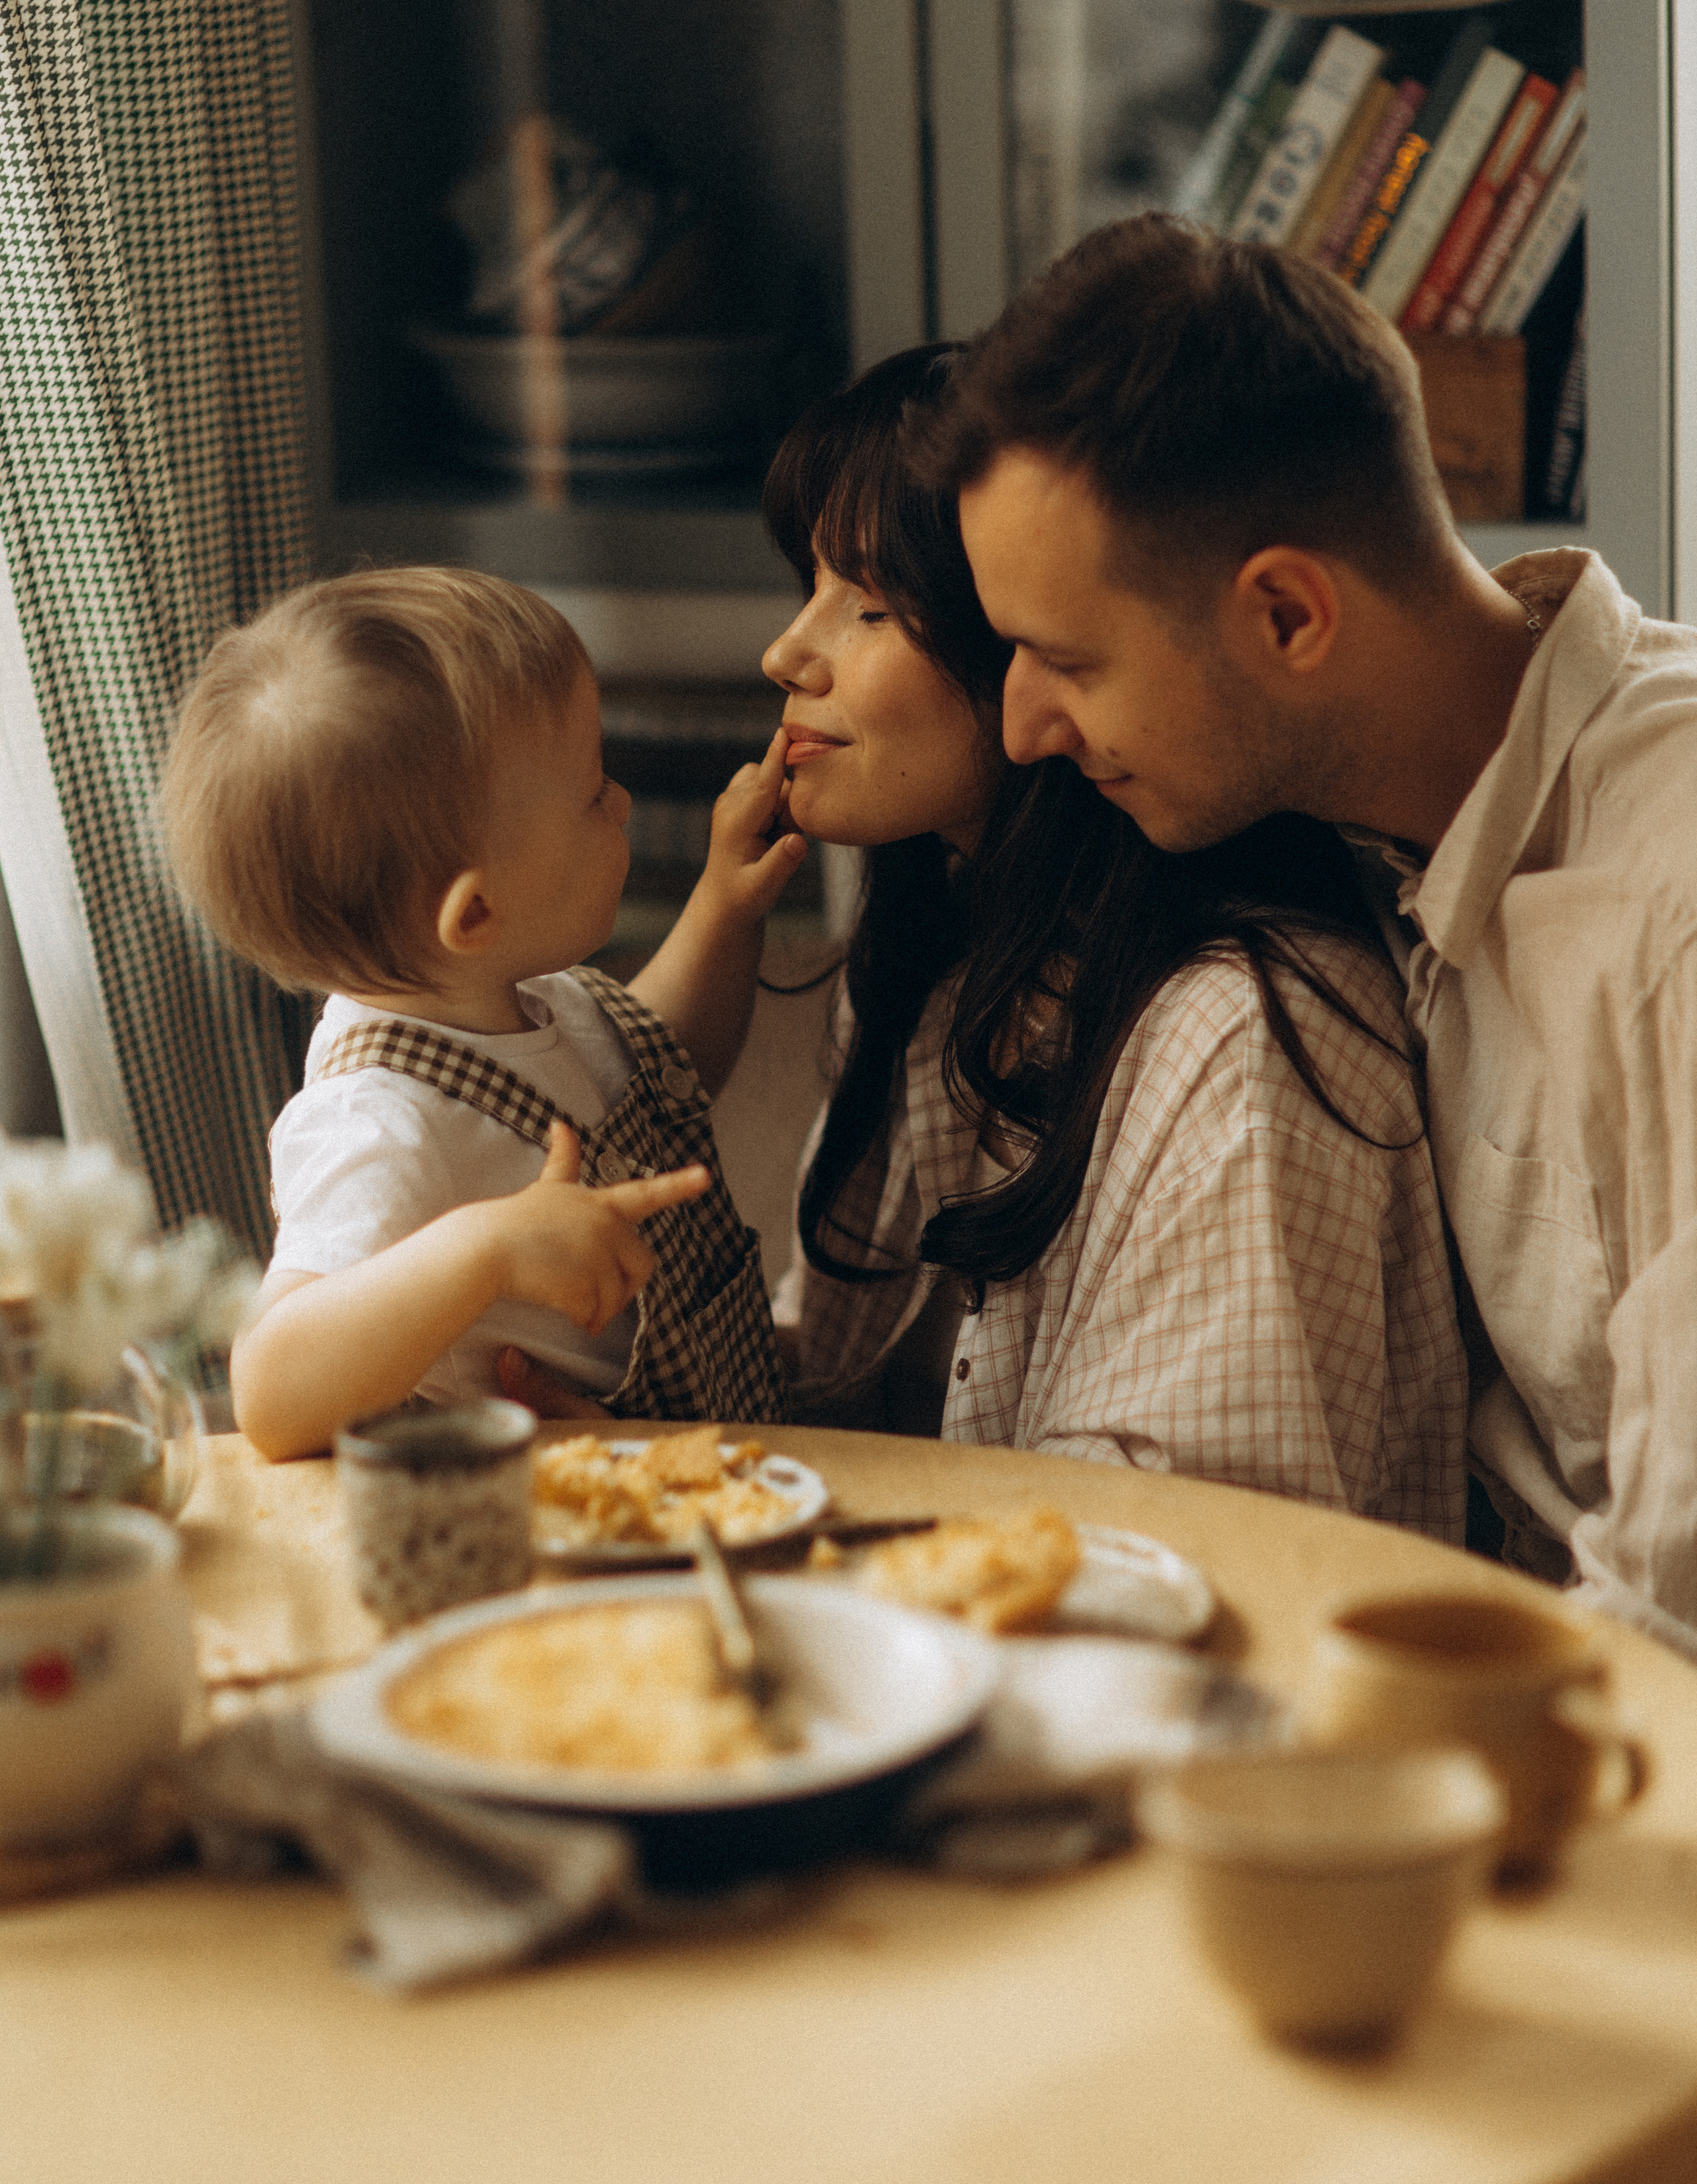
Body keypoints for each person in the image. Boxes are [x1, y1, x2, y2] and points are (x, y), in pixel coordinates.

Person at [923, 207, 1697, 1653]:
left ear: (1285, 614)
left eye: (1066, 658)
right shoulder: (1385, 833)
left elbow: (1672, 1616)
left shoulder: (1670, 904)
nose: (1023, 724)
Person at [762, 347, 1466, 1537]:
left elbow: (1168, 1561)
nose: (787, 651)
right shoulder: (944, 960)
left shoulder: (1241, 1034)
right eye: (811, 583)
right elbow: (850, 1401)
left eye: (872, 604)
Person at [160, 567, 805, 1460]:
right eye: (591, 794)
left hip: (698, 1464)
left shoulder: (530, 999)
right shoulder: (379, 1120)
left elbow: (661, 1065)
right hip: (549, 1526)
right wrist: (486, 1250)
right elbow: (270, 1392)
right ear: (473, 914)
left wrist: (725, 909)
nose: (620, 801)